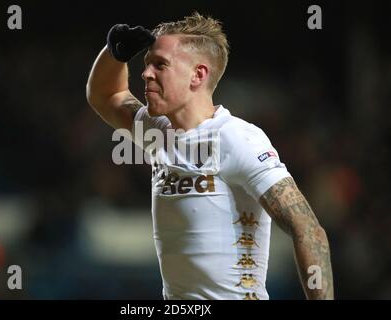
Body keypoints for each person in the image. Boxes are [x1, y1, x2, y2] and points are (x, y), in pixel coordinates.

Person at [86, 12, 334, 300]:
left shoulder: (237, 138)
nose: (146, 73)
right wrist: (115, 54)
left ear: (198, 75)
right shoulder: (157, 132)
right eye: (146, 64)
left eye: (160, 64)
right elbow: (105, 95)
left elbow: (307, 227)